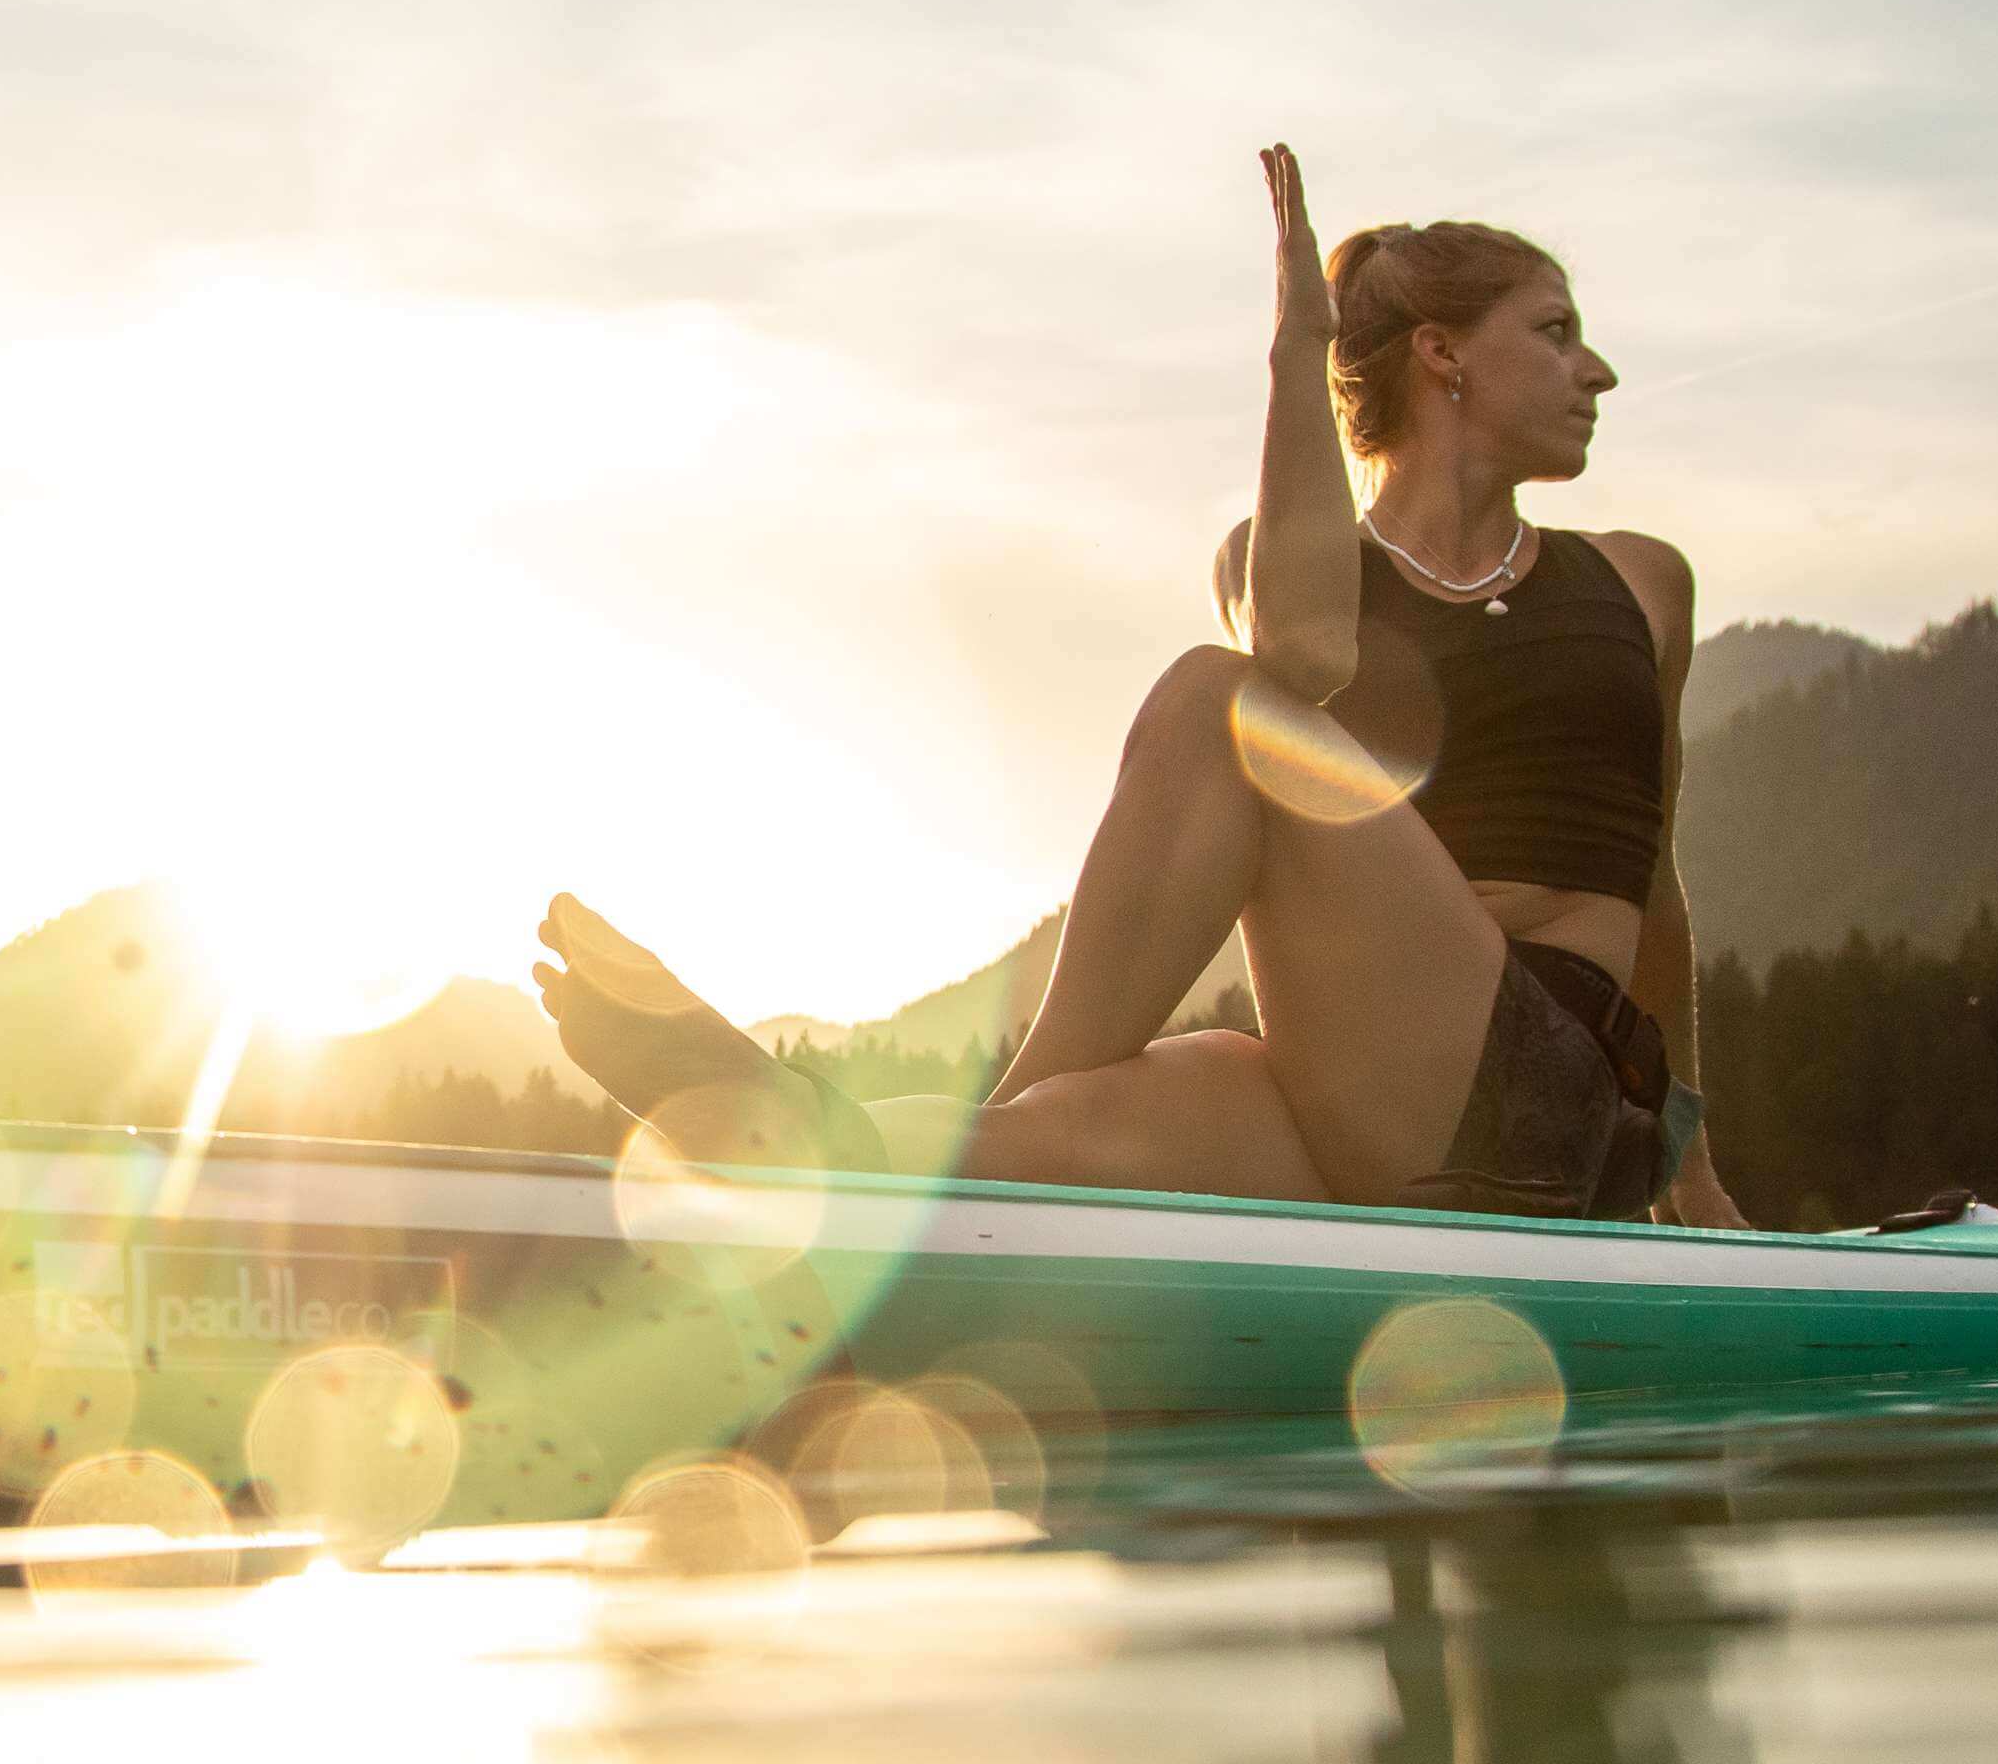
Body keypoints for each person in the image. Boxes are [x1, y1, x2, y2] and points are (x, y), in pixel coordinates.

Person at [536, 145, 1743, 1227]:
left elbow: (1657, 884)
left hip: (1554, 1098)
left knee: (1220, 703)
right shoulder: (1267, 572)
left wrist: (1687, 1156)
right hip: (1362, 1096)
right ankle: (817, 1145)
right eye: (1556, 331)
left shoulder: (1639, 585)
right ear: (1443, 355)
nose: (1600, 371)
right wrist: (1295, 348)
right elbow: (1313, 655)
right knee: (1012, 1148)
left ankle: (966, 1146)